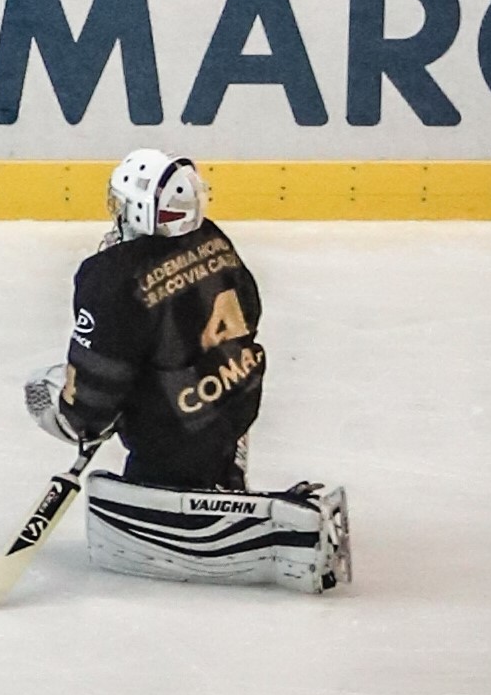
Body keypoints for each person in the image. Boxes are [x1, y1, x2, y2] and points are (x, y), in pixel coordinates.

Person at [37, 153, 348, 589]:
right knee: (185, 366)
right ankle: (223, 467)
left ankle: (186, 495)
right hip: (238, 395)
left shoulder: (110, 277)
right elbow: (250, 310)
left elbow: (97, 378)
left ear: (140, 210)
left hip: (173, 426)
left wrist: (77, 417)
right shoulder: (212, 237)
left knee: (132, 413)